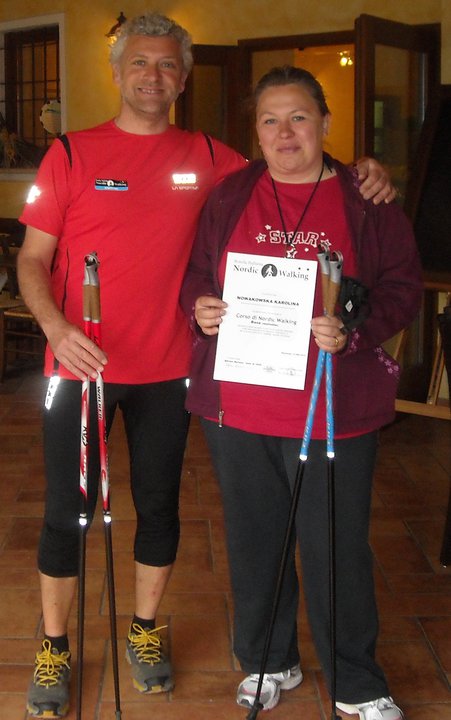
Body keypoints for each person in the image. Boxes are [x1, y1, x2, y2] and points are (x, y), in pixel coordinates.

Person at [17, 8, 395, 716]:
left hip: (170, 372)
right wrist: (56, 327)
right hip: (80, 366)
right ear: (117, 72)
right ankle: (54, 644)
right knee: (68, 510)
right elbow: (31, 259)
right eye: (140, 61)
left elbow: (297, 162)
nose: (153, 75)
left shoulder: (216, 160)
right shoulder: (68, 153)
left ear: (184, 78)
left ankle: (145, 631)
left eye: (167, 64)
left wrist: (364, 173)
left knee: (160, 507)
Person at [180, 66, 423, 720]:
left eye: (298, 118)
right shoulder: (230, 196)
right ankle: (268, 659)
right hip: (237, 408)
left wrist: (352, 328)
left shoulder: (367, 199)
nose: (284, 133)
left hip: (332, 409)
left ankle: (356, 680)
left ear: (323, 123)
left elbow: (402, 287)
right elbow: (197, 275)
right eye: (270, 120)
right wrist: (200, 308)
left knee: (335, 547)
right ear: (255, 132)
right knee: (254, 540)